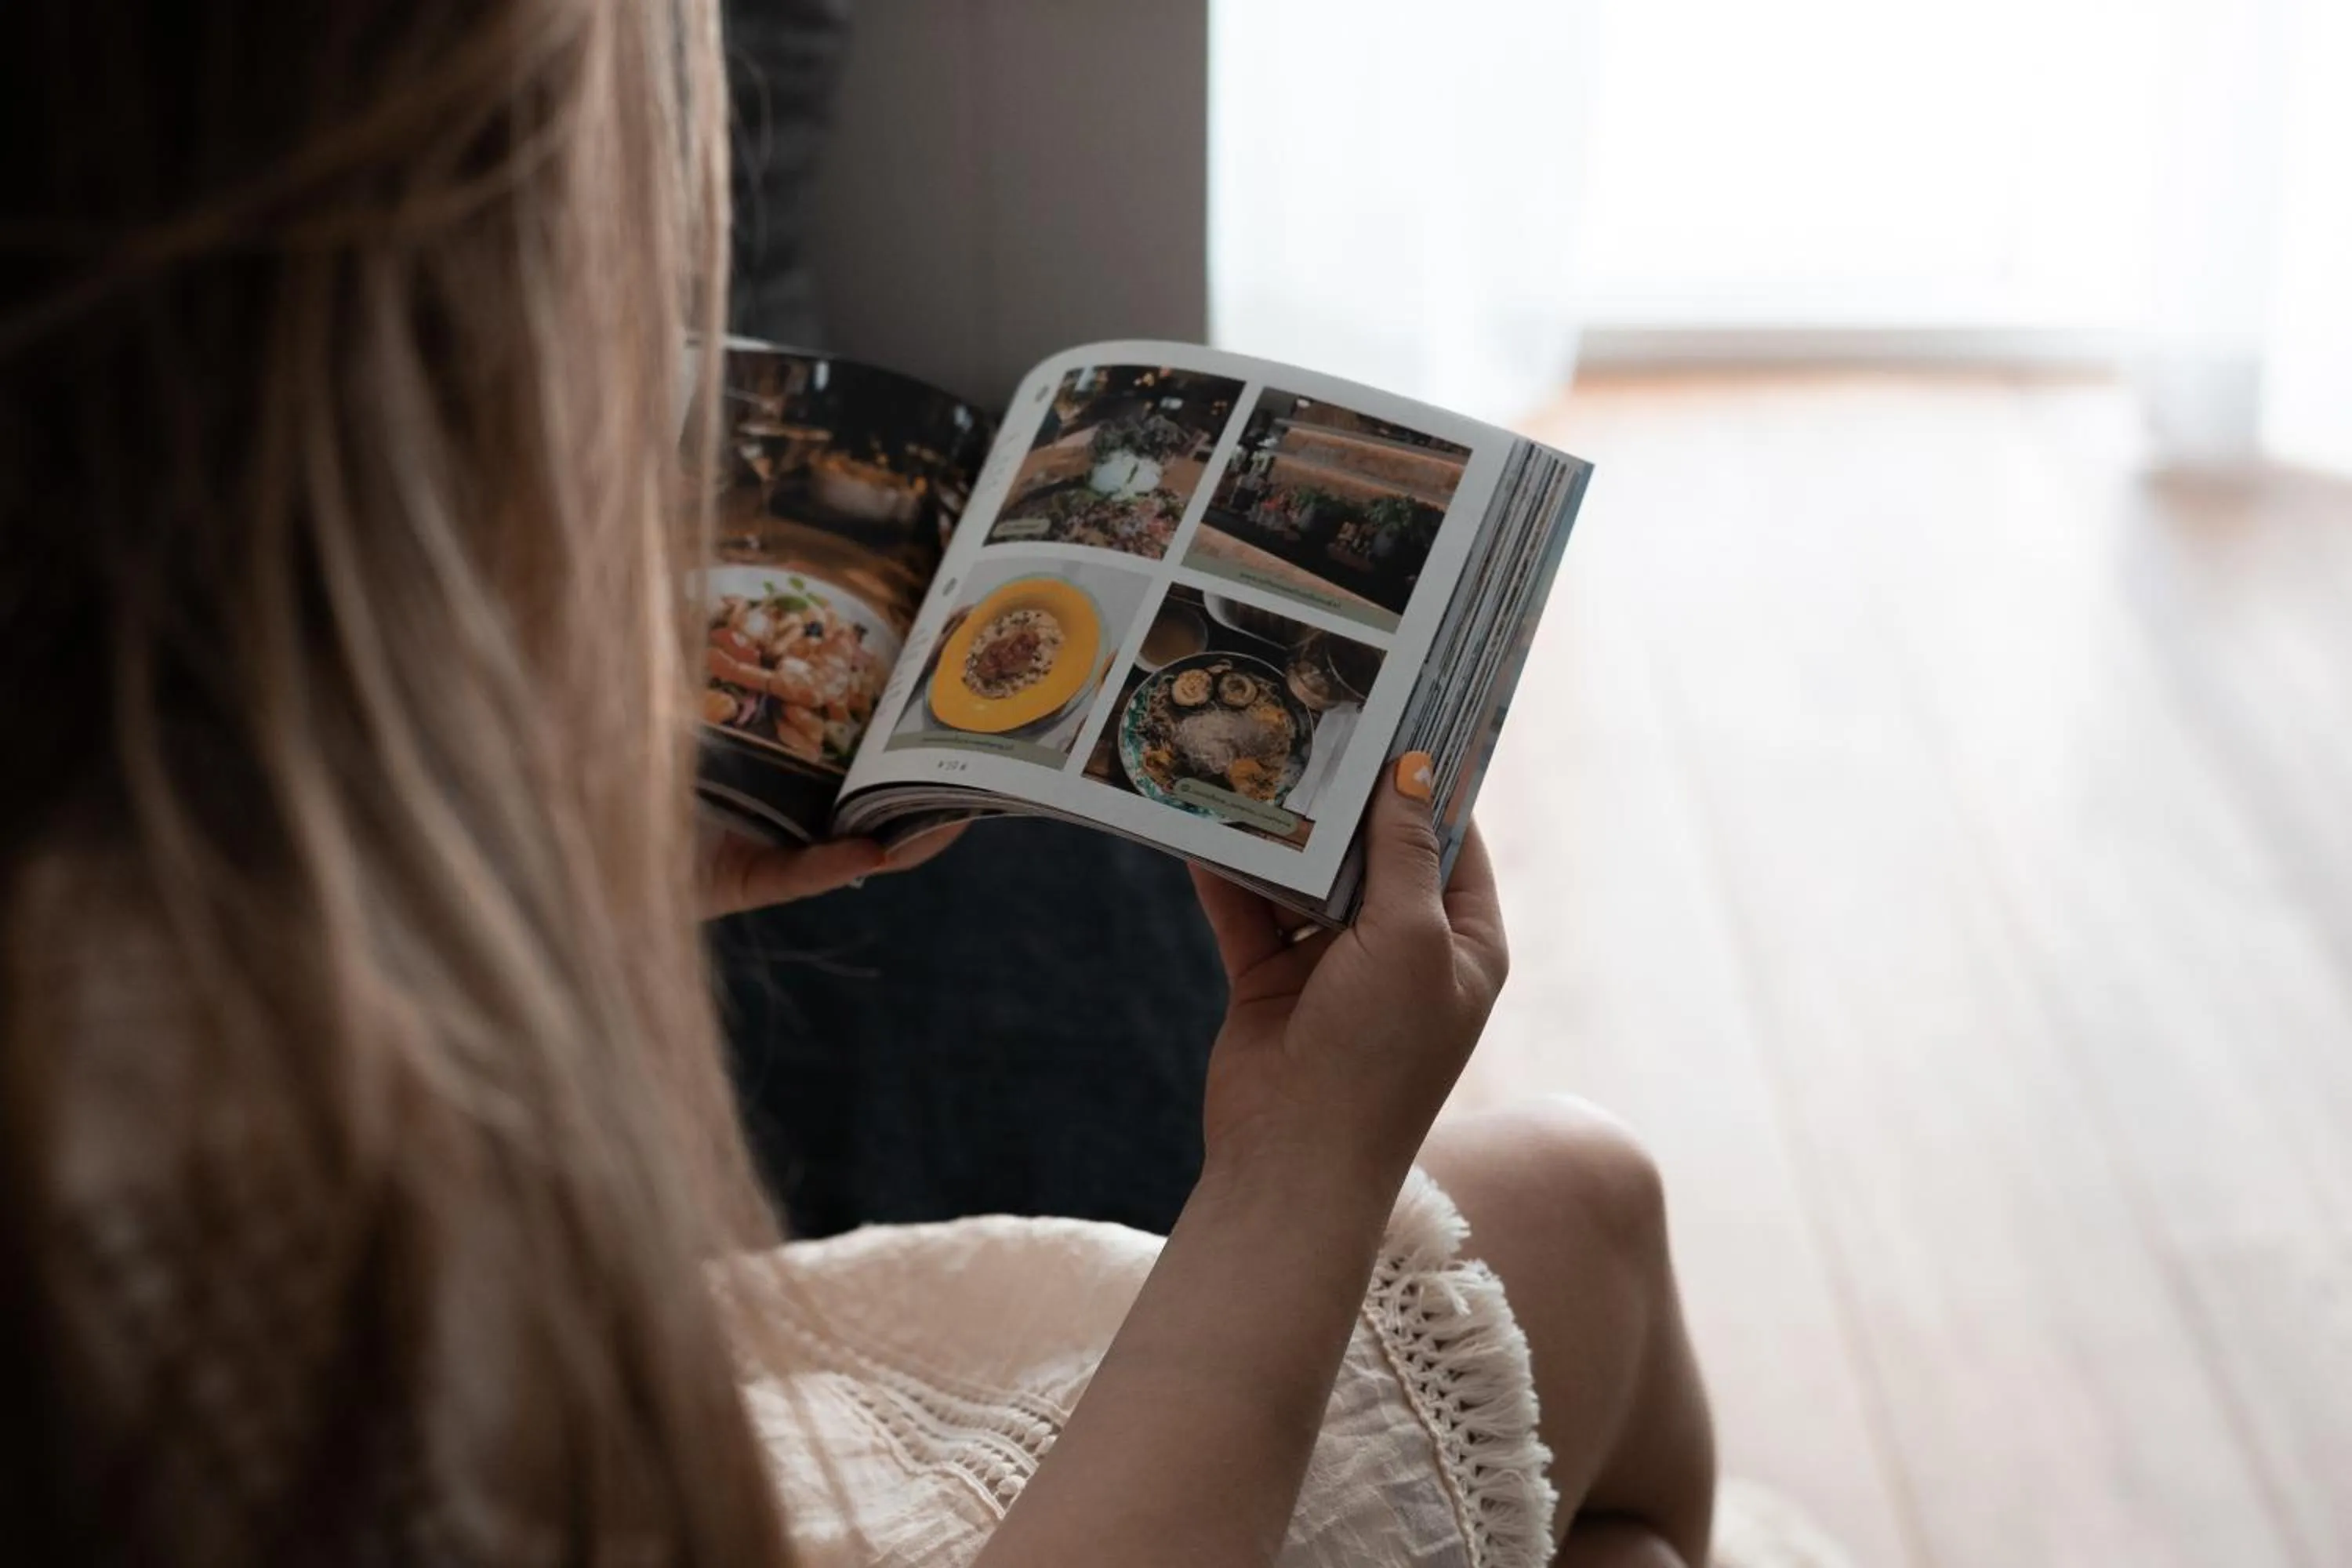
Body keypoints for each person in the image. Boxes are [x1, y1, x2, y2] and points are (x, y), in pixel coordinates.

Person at [0, 2, 1715, 1566]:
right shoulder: (227, 1159)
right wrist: (1301, 1166)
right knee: (1587, 1213)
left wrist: (571, 887)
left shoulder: (151, 940)